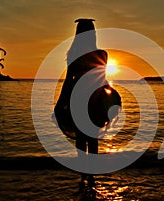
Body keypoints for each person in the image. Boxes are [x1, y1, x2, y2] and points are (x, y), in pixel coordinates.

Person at [54, 19, 121, 189]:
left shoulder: (74, 55)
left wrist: (60, 103)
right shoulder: (102, 54)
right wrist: (111, 93)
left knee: (81, 140)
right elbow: (102, 78)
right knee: (92, 139)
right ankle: (90, 176)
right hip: (96, 100)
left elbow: (69, 83)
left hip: (78, 99)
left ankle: (84, 175)